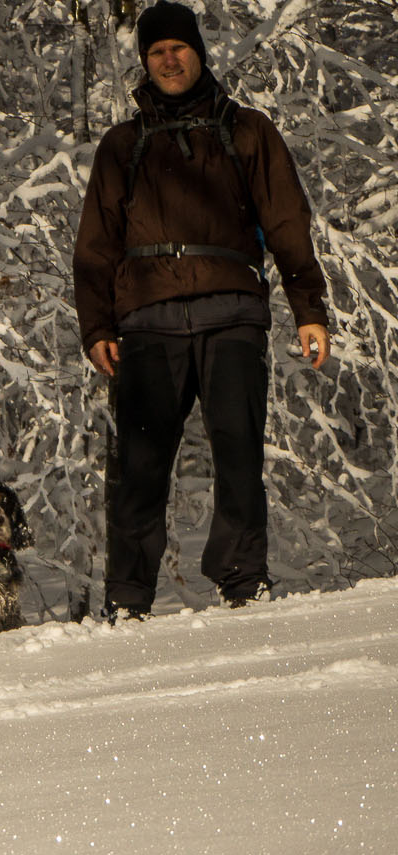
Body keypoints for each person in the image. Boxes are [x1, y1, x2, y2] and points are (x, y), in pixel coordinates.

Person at [74, 0, 329, 621]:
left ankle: (244, 581)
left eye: (178, 48)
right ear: (144, 61)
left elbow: (287, 220)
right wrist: (97, 327)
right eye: (156, 51)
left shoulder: (247, 131)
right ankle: (128, 599)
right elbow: (96, 243)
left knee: (239, 451)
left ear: (198, 52)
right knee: (138, 467)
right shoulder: (122, 145)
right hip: (147, 321)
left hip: (232, 311)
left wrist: (308, 307)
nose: (168, 59)